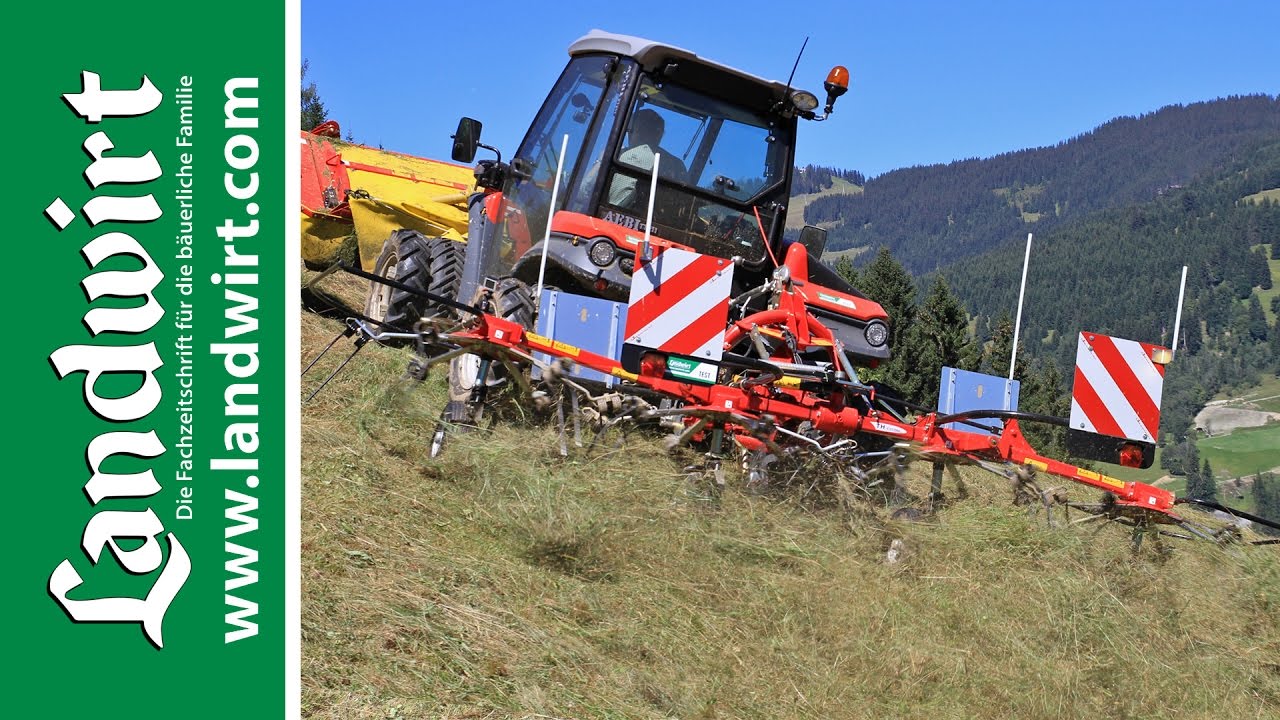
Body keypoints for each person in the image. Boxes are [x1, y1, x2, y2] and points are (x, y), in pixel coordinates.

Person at [606, 108, 688, 207]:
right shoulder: (678, 165)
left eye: (629, 131)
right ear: (660, 134)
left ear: (636, 131)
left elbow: (587, 188)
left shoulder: (625, 155)